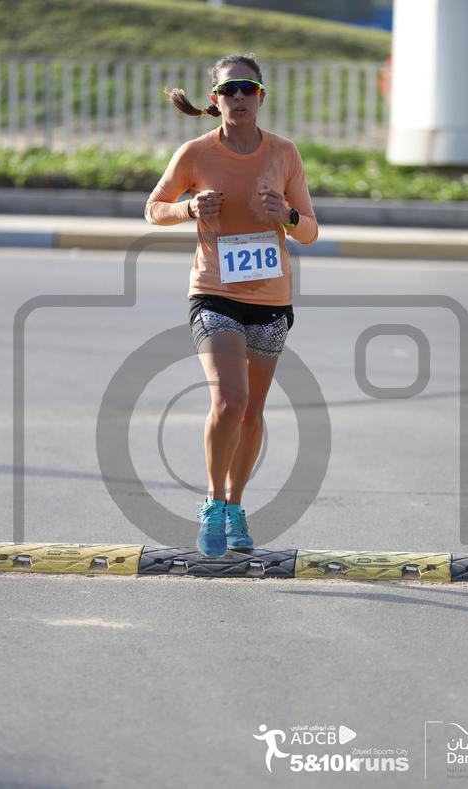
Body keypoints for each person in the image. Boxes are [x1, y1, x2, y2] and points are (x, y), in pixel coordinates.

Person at [144, 52, 318, 559]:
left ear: (261, 97)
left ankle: (236, 506)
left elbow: (310, 230)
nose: (238, 97)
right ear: (214, 99)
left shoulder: (284, 153)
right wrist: (189, 207)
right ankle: (213, 503)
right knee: (230, 401)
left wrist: (285, 215)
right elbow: (153, 208)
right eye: (228, 90)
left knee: (252, 412)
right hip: (215, 292)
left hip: (271, 299)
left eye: (247, 89)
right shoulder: (196, 153)